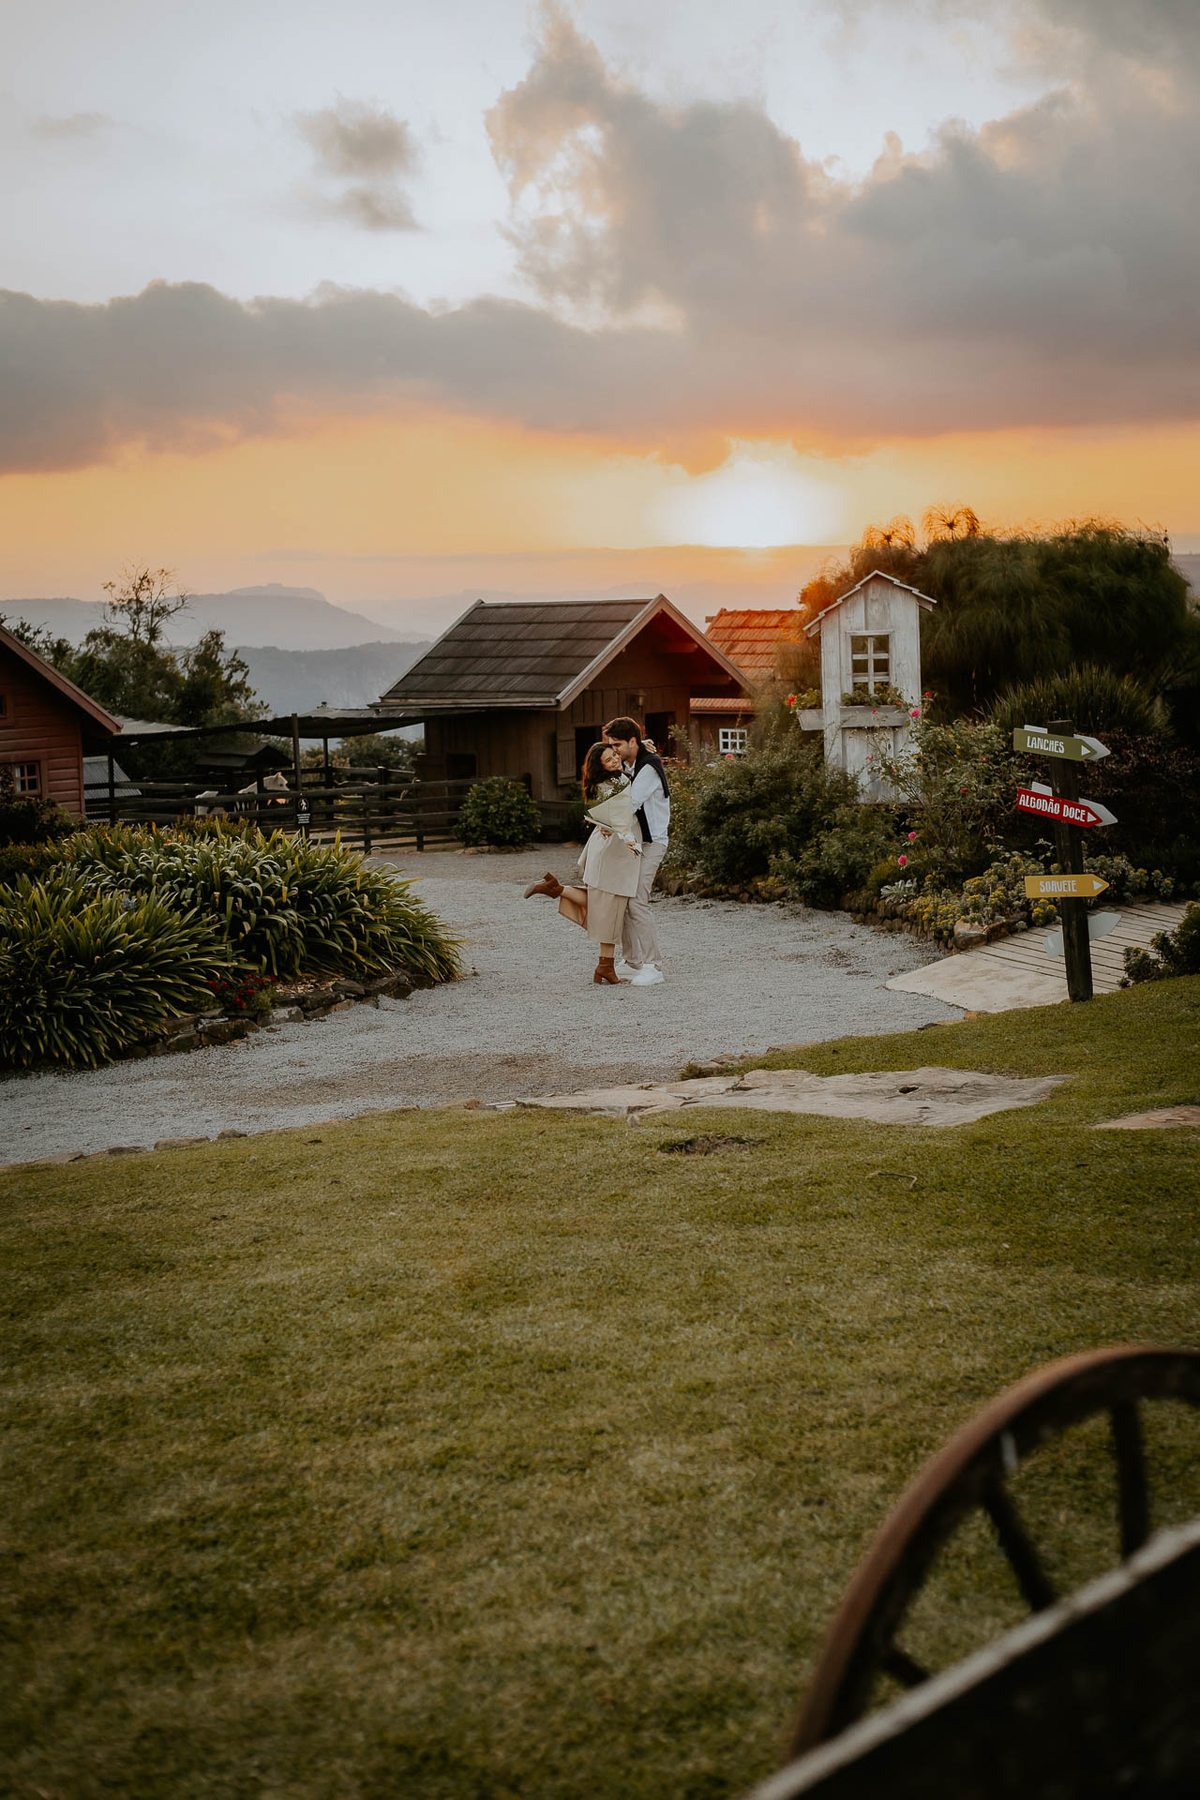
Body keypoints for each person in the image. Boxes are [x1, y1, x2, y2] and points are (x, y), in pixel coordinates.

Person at [522, 741, 642, 984]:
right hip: (612, 851)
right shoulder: (609, 785)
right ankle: (605, 966)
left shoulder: (613, 780)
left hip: (610, 850)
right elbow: (612, 817)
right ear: (600, 767)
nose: (614, 760)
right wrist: (610, 825)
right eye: (608, 760)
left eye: (614, 755)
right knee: (609, 907)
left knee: (604, 904)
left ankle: (555, 888)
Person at [602, 716, 670, 986]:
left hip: (653, 843)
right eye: (611, 745)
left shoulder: (649, 766)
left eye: (617, 744)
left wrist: (605, 821)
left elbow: (631, 802)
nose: (613, 750)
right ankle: (632, 962)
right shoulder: (633, 762)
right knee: (625, 898)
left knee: (637, 901)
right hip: (637, 843)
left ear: (632, 741)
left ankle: (654, 966)